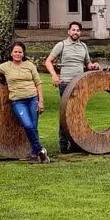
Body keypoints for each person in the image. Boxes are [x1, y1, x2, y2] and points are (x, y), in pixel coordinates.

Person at [44, 21, 100, 153]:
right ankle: (63, 145)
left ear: (80, 33)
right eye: (73, 30)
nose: (75, 32)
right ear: (69, 32)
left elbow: (87, 63)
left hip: (80, 84)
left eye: (78, 30)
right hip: (65, 84)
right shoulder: (61, 45)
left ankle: (76, 144)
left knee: (78, 113)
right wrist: (54, 76)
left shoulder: (83, 46)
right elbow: (48, 61)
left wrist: (93, 66)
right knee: (66, 114)